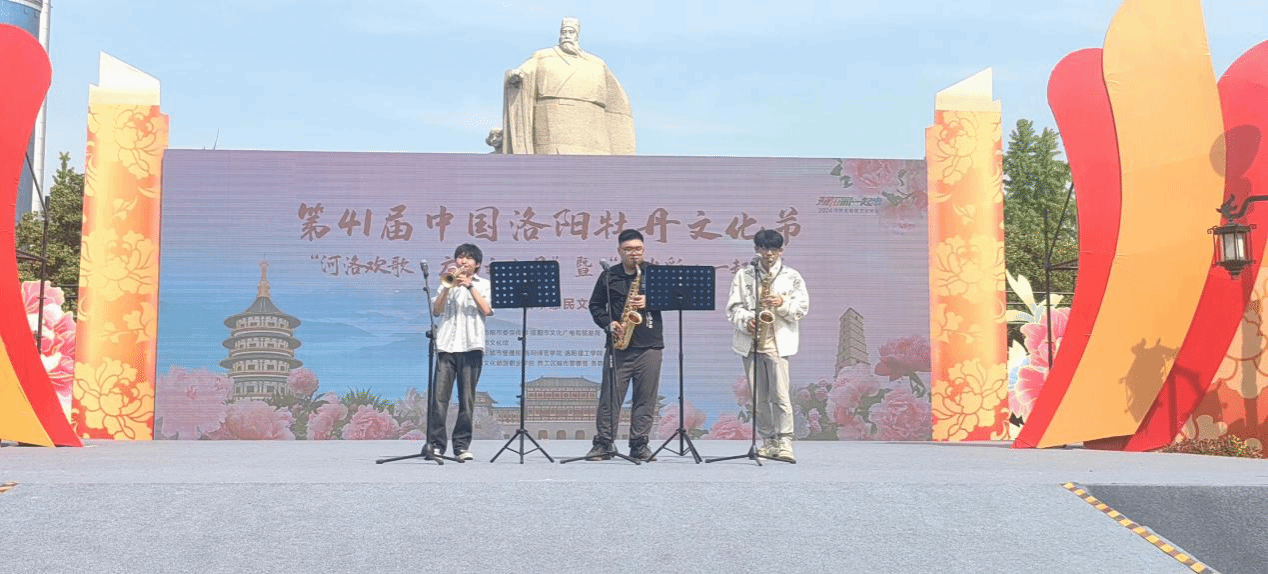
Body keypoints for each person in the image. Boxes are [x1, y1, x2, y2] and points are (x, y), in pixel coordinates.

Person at [726, 229, 809, 462]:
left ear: (781, 250)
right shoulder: (744, 275)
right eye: (764, 249)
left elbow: (802, 309)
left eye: (774, 249)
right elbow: (733, 308)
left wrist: (781, 303)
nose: (769, 254)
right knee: (757, 398)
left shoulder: (792, 276)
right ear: (756, 249)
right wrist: (746, 321)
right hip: (750, 343)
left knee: (780, 396)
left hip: (777, 344)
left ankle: (785, 442)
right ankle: (768, 441)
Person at [501, 17, 635, 155]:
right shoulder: (543, 56)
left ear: (577, 35)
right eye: (564, 32)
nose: (566, 36)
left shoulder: (596, 63)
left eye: (571, 32)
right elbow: (524, 71)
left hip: (591, 127)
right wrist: (516, 76)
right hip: (553, 121)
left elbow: (617, 100)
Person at [586, 229, 663, 461]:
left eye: (638, 249)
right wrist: (608, 323)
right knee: (610, 397)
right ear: (619, 251)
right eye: (628, 249)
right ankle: (603, 444)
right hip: (618, 345)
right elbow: (595, 305)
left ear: (644, 249)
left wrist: (651, 300)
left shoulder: (655, 273)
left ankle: (639, 445)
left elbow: (674, 299)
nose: (634, 253)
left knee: (645, 399)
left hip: (650, 345)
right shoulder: (609, 275)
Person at [428, 243, 494, 461]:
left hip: (471, 347)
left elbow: (487, 310)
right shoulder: (447, 282)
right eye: (460, 257)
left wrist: (469, 286)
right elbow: (436, 310)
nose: (463, 261)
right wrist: (448, 287)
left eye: (468, 258)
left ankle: (461, 446)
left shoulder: (484, 285)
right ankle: (436, 445)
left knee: (467, 400)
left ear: (477, 264)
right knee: (439, 399)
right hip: (446, 347)